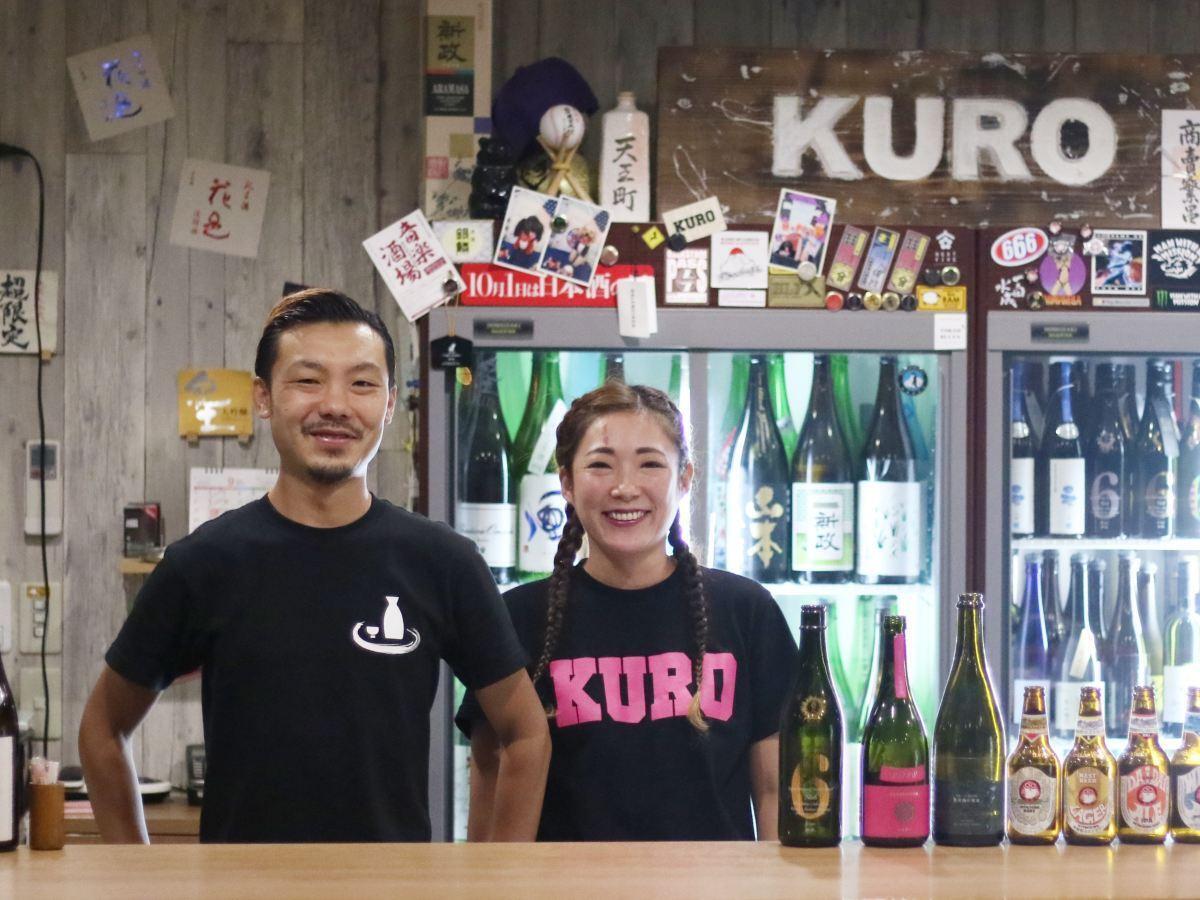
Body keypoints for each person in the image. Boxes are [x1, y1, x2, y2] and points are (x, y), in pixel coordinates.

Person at [79, 288, 549, 843]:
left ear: (389, 404)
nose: (336, 405)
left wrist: (502, 877)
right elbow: (102, 728)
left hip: (391, 884)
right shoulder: (204, 563)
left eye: (362, 384)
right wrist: (133, 872)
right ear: (263, 396)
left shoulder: (441, 561)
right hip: (240, 884)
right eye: (308, 380)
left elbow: (526, 734)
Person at [457, 382, 796, 841]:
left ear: (685, 479)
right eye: (600, 465)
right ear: (567, 482)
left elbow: (776, 792)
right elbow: (490, 786)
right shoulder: (517, 616)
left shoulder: (747, 611)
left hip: (714, 879)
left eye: (650, 464)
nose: (624, 488)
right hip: (565, 880)